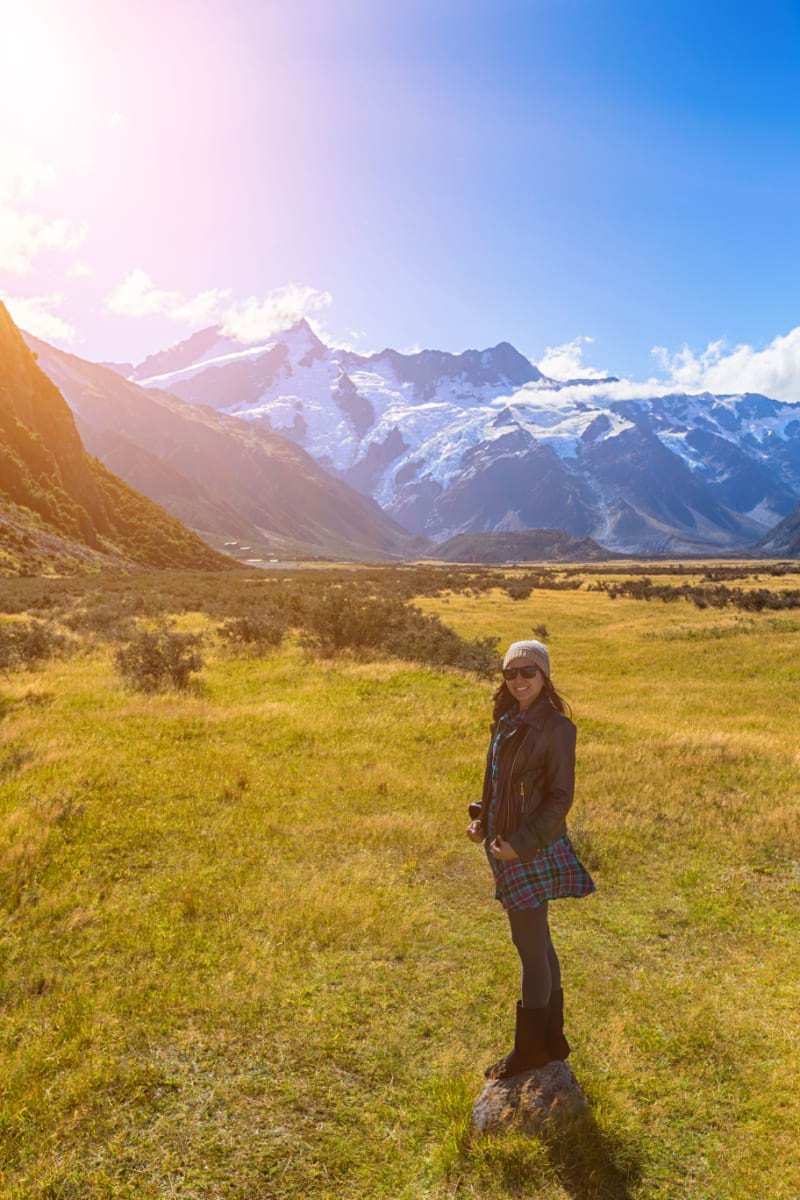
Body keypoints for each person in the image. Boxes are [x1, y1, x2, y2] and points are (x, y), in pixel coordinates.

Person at [466, 639, 596, 1080]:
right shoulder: (507, 721)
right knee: (540, 944)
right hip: (504, 842)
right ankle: (552, 1041)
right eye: (511, 672)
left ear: (544, 676)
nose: (519, 680)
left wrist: (520, 844)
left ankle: (528, 1051)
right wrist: (482, 818)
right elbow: (498, 780)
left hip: (527, 848)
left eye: (528, 672)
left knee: (529, 950)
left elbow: (560, 798)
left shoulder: (557, 729)